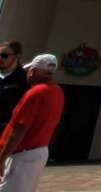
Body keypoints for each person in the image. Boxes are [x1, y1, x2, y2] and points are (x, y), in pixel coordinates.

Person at [0, 54, 63, 192]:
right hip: (38, 151)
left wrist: (2, 158)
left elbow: (20, 128)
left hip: (22, 153)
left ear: (33, 71)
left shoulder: (35, 93)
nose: (27, 74)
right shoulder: (57, 91)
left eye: (29, 70)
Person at [0, 43, 27, 133]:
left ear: (17, 56)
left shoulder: (24, 79)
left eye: (4, 55)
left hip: (6, 130)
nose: (0, 58)